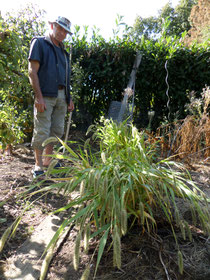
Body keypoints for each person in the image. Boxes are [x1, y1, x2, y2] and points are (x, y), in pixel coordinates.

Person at [28, 16, 74, 178]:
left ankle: (48, 161)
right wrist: (38, 97)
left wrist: (69, 98)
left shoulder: (64, 52)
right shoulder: (39, 43)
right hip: (45, 95)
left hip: (61, 96)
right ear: (52, 25)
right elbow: (32, 72)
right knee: (42, 130)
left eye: (65, 31)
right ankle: (38, 166)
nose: (62, 33)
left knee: (57, 131)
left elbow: (66, 77)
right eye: (60, 28)